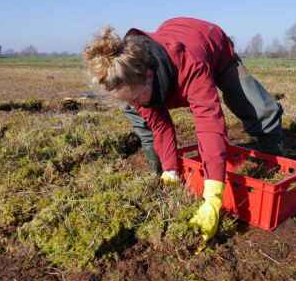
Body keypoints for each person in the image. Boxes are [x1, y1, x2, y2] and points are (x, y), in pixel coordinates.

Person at [83, 17, 283, 241]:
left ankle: (273, 162)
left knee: (257, 108)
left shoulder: (190, 65)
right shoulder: (136, 84)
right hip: (167, 57)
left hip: (212, 48)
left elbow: (209, 126)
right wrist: (169, 170)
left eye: (136, 98)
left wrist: (213, 197)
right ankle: (161, 174)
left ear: (149, 77)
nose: (135, 104)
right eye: (129, 100)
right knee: (145, 127)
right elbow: (161, 127)